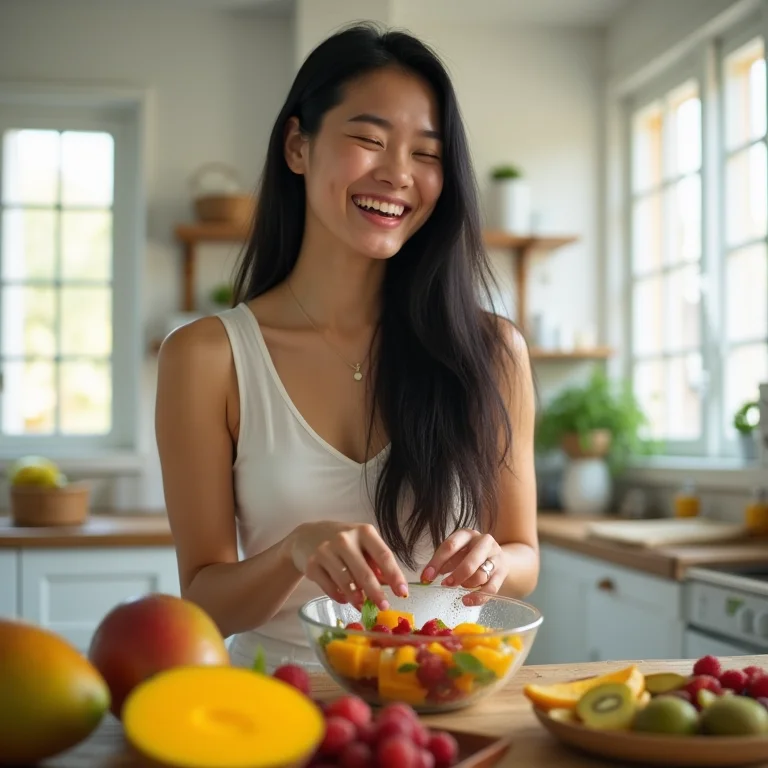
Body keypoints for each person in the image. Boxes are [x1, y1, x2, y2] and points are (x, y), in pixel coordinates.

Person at [155, 22, 539, 672]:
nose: (397, 174)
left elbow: (524, 554)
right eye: (368, 140)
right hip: (279, 713)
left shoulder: (491, 350)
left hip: (439, 711)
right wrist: (292, 552)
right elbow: (203, 602)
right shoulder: (207, 358)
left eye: (426, 153)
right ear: (298, 146)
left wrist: (496, 561)